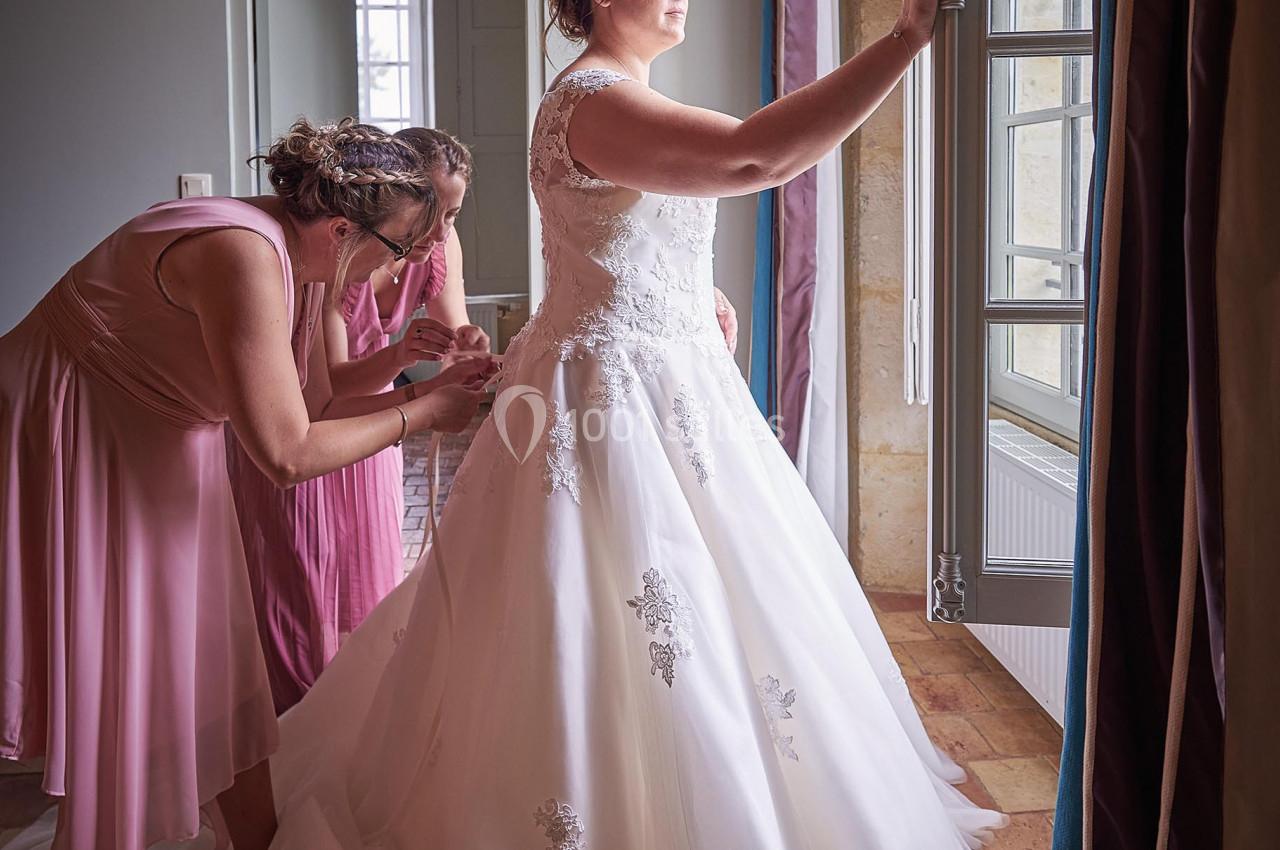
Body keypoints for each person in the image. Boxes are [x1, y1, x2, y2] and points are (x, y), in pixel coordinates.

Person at [267, 1, 1008, 848]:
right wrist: (907, 39)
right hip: (609, 400)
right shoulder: (591, 98)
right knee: (608, 599)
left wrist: (690, 294)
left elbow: (617, 241)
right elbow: (753, 154)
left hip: (668, 379)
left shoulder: (612, 94)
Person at [0, 118, 491, 850]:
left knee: (220, 665)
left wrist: (430, 391)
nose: (394, 270)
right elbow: (286, 454)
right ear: (338, 229)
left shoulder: (302, 263)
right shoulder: (243, 253)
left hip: (165, 438)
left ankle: (261, 840)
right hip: (78, 429)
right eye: (395, 250)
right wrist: (422, 414)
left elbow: (321, 407)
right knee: (138, 671)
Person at [225, 128, 492, 715]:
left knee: (367, 590)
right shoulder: (331, 257)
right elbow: (320, 399)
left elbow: (455, 331)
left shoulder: (434, 247)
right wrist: (405, 371)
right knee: (299, 590)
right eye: (431, 213)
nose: (441, 231)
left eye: (452, 213)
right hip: (310, 423)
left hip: (370, 427)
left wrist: (465, 348)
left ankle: (352, 725)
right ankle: (296, 730)